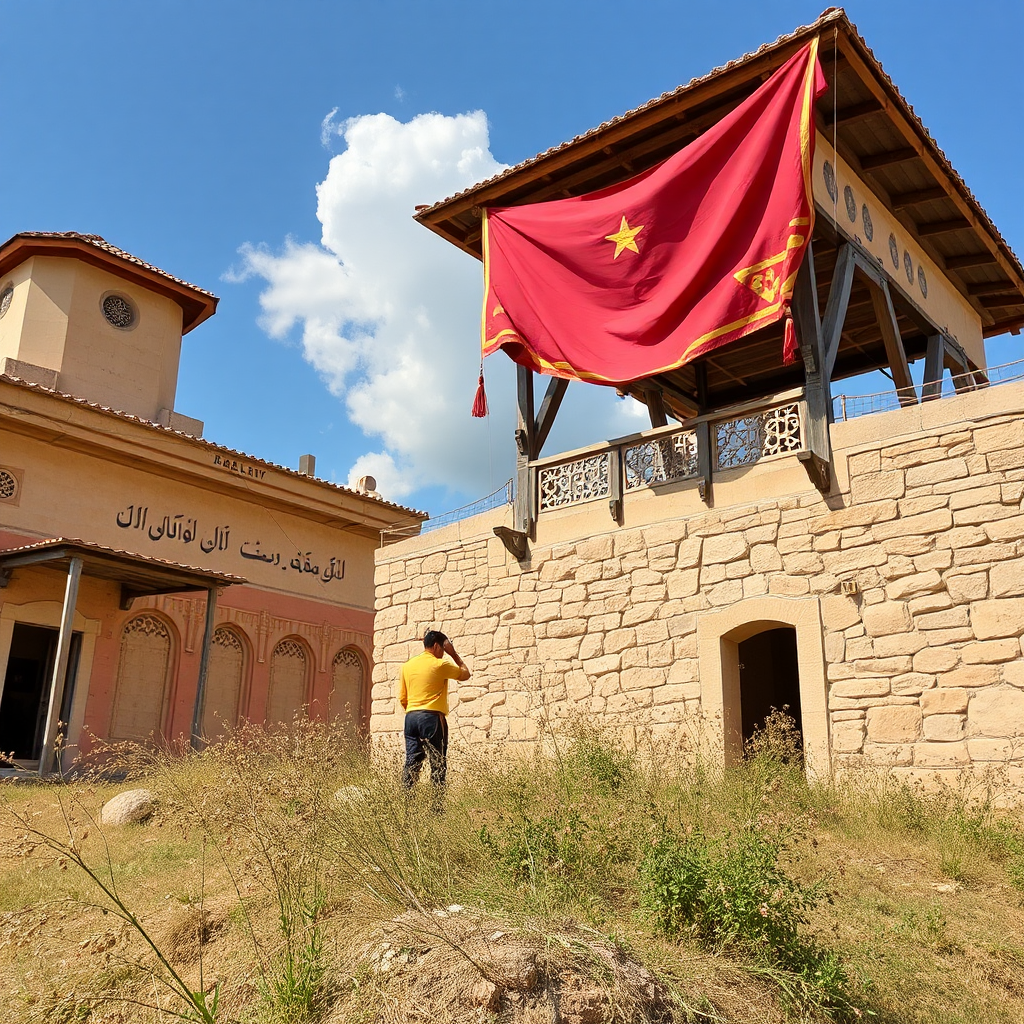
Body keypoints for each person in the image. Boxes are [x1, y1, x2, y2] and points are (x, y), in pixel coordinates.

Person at [398, 629, 470, 799]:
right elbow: (465, 674)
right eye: (444, 649)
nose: (444, 653)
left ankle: (407, 803)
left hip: (411, 717)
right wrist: (454, 654)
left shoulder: (407, 666)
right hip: (431, 717)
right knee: (437, 762)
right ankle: (436, 807)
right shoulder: (440, 665)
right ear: (438, 646)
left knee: (412, 762)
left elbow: (403, 698)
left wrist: (415, 709)